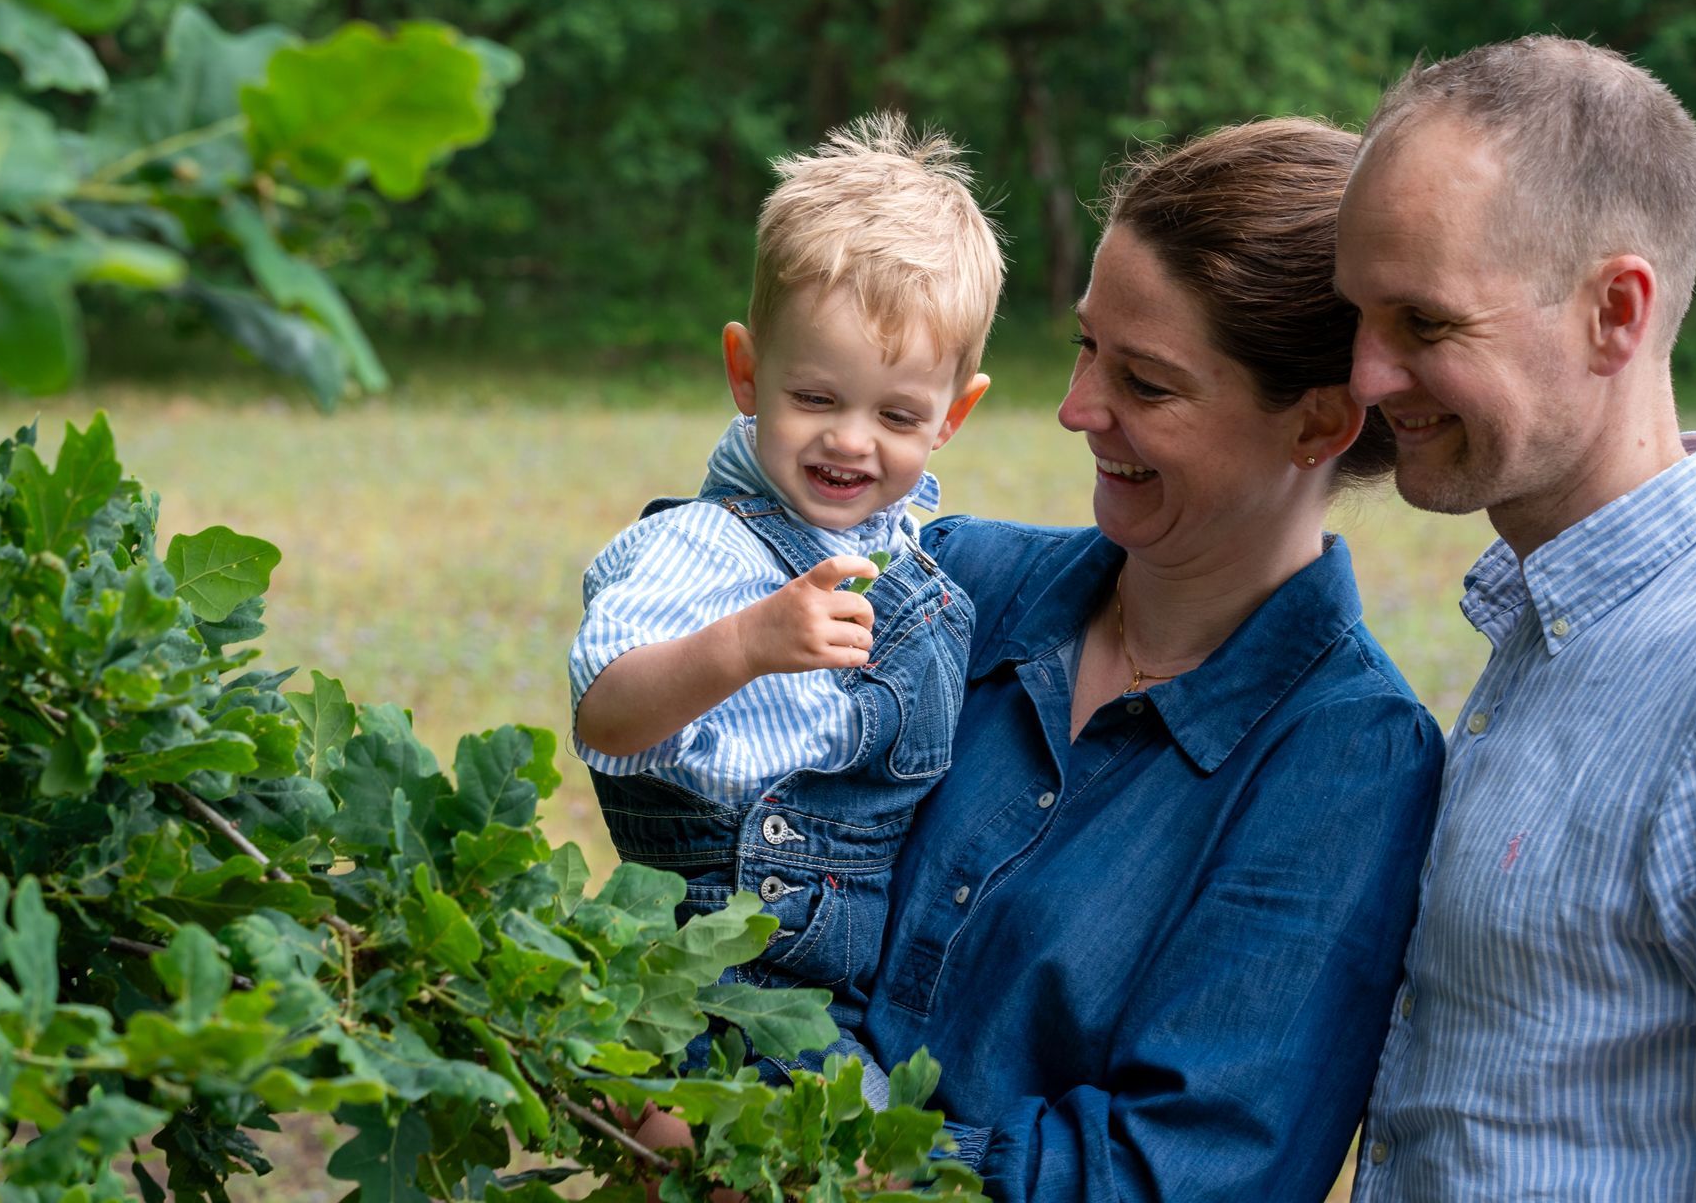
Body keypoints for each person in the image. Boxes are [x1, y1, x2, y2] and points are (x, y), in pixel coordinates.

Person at [1336, 36, 1696, 1200]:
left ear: (1616, 312)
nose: (1364, 377)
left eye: (1425, 324)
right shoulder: (1555, 620)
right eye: (1359, 317)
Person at [854, 118, 1446, 1201]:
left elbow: (1177, 1173)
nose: (1079, 408)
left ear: (1317, 424)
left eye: (1149, 383)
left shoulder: (1348, 761)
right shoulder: (950, 582)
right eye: (1086, 344)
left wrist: (795, 1147)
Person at [568, 112, 1002, 1106]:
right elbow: (605, 710)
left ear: (954, 416)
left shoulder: (903, 551)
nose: (850, 441)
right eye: (815, 397)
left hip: (844, 982)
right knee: (863, 1158)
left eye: (896, 415)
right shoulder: (702, 548)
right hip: (723, 979)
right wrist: (746, 642)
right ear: (747, 372)